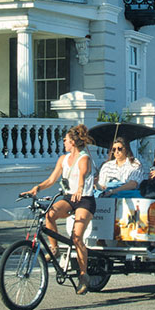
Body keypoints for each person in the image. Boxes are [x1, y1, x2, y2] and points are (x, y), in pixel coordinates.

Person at [23, 124, 95, 295]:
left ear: (73, 142)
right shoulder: (63, 159)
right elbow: (52, 179)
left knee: (77, 237)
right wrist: (37, 188)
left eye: (66, 140)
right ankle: (54, 249)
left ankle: (84, 275)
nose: (63, 143)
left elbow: (83, 175)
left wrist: (79, 188)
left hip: (85, 200)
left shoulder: (84, 158)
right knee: (49, 215)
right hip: (70, 198)